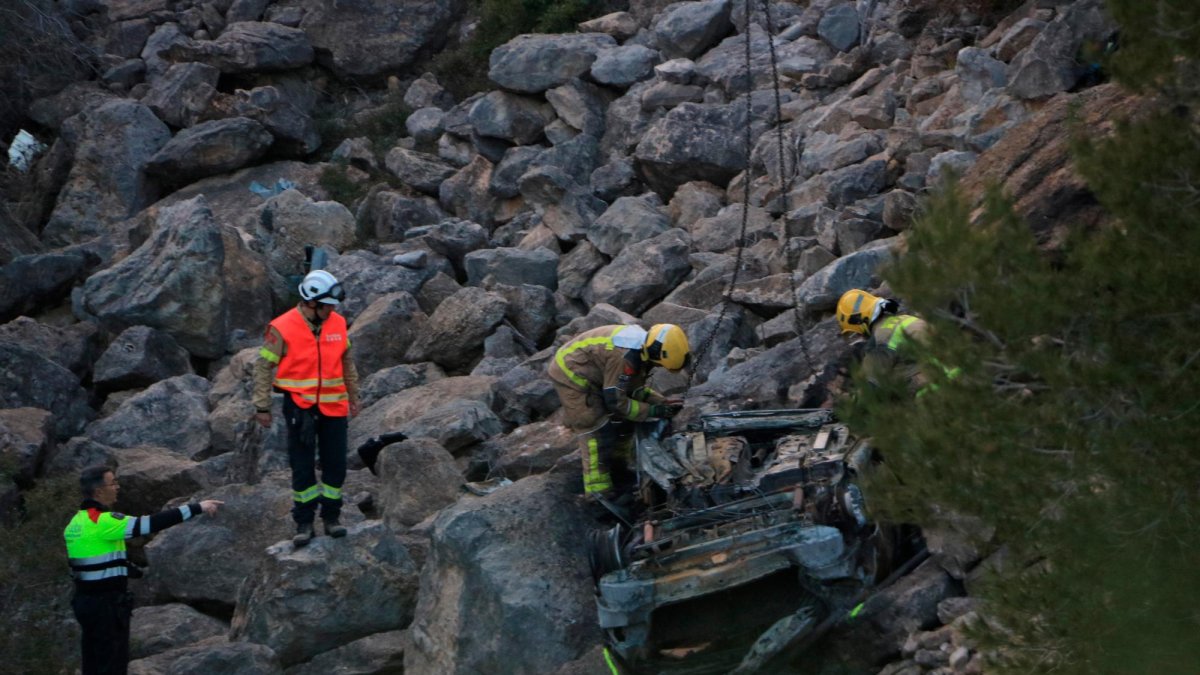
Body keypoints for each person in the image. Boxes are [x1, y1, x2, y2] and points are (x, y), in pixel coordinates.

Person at [63, 465, 222, 675]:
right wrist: (196, 507)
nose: (118, 488)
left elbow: (93, 559)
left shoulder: (76, 522)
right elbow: (148, 524)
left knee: (93, 662)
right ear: (99, 491)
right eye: (114, 483)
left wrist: (129, 569)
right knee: (112, 665)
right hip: (106, 606)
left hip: (85, 602)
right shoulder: (102, 521)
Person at [253, 269, 360, 546]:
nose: (333, 309)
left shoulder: (337, 323)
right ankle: (304, 522)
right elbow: (264, 367)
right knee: (302, 467)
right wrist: (262, 406)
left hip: (334, 405)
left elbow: (347, 362)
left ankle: (332, 518)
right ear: (312, 303)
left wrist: (354, 397)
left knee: (335, 465)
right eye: (328, 305)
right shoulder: (282, 327)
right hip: (299, 407)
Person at [547, 323, 691, 505]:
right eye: (658, 364)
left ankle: (620, 471)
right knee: (595, 427)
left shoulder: (642, 348)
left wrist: (660, 401)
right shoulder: (623, 357)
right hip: (570, 373)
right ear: (655, 354)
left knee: (623, 423)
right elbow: (617, 402)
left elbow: (632, 388)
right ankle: (598, 495)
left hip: (594, 369)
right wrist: (652, 411)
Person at [835, 288, 957, 396]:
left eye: (856, 332)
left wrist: (849, 407)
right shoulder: (906, 319)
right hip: (959, 374)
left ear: (858, 322)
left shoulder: (881, 338)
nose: (860, 336)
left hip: (936, 392)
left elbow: (869, 389)